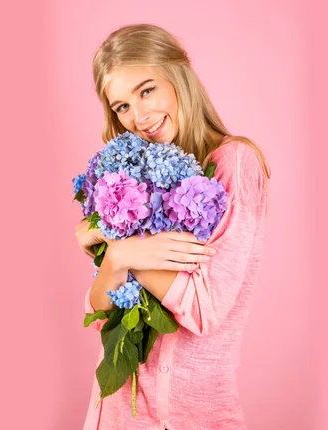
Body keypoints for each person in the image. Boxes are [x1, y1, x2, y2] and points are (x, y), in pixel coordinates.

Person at [75, 23, 271, 430]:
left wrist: (123, 251)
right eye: (122, 106)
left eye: (147, 90)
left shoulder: (235, 163)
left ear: (179, 75)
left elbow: (205, 309)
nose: (139, 116)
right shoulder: (130, 174)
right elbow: (99, 312)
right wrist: (115, 255)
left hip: (188, 418)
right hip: (112, 415)